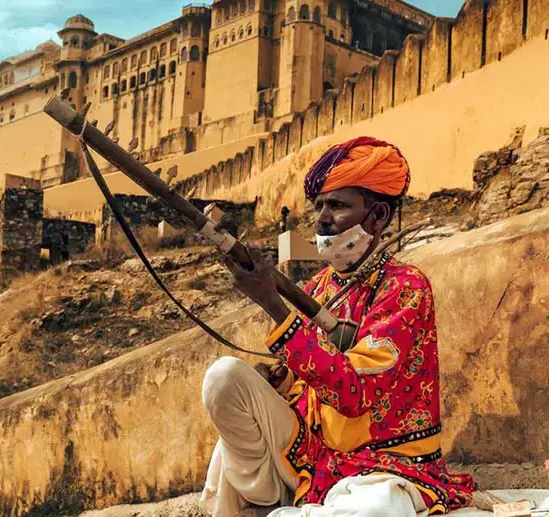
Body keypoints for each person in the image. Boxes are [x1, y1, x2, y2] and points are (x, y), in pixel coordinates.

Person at [200, 137, 475, 516]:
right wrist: (278, 382)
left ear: (377, 216)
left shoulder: (406, 287)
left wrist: (272, 305)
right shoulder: (318, 287)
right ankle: (274, 501)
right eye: (319, 207)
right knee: (224, 377)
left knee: (377, 508)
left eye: (338, 205)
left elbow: (354, 394)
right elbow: (307, 387)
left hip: (385, 465)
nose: (322, 218)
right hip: (316, 459)